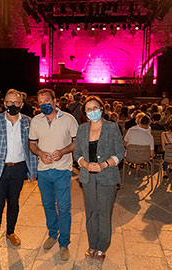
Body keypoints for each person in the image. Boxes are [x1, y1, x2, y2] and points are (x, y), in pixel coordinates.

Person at [0, 89, 37, 255]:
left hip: (19, 169)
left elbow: (31, 147)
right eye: (9, 102)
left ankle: (10, 232)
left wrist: (32, 170)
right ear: (4, 103)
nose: (12, 105)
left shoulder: (28, 121)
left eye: (16, 102)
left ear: (21, 104)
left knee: (14, 203)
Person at [29, 88, 78, 261]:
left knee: (64, 208)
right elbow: (32, 144)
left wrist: (63, 151)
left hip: (62, 170)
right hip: (44, 171)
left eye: (47, 101)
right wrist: (40, 153)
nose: (44, 104)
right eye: (41, 102)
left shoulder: (69, 119)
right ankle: (52, 234)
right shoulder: (36, 121)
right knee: (48, 205)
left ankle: (64, 243)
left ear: (55, 101)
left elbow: (76, 142)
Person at [74, 95, 125, 261]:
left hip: (107, 176)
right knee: (90, 213)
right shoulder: (82, 129)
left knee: (104, 212)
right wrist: (85, 163)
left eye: (95, 108)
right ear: (85, 113)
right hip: (88, 177)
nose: (92, 111)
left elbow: (120, 153)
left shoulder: (112, 127)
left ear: (102, 109)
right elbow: (77, 154)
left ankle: (102, 247)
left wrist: (104, 164)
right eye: (89, 109)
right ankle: (92, 245)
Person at [124, 113, 154, 178]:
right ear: (148, 125)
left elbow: (125, 143)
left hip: (129, 156)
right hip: (143, 158)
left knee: (138, 153)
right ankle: (137, 172)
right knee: (141, 154)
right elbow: (151, 154)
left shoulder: (131, 130)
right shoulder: (150, 137)